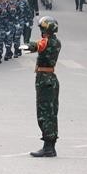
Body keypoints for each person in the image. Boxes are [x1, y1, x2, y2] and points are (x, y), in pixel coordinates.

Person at [20, 16, 61, 158]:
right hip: (51, 79)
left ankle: (48, 148)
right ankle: (50, 147)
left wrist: (27, 46)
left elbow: (38, 45)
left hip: (45, 80)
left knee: (45, 114)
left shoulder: (47, 41)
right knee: (51, 113)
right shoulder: (56, 42)